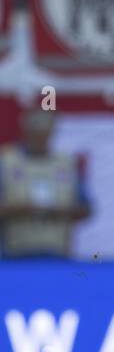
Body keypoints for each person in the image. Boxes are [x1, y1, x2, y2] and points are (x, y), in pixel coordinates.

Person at [0, 110, 91, 258]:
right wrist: (20, 210)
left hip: (56, 252)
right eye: (35, 133)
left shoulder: (65, 164)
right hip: (15, 254)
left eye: (45, 133)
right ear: (26, 131)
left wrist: (60, 211)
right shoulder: (7, 162)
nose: (40, 138)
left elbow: (86, 208)